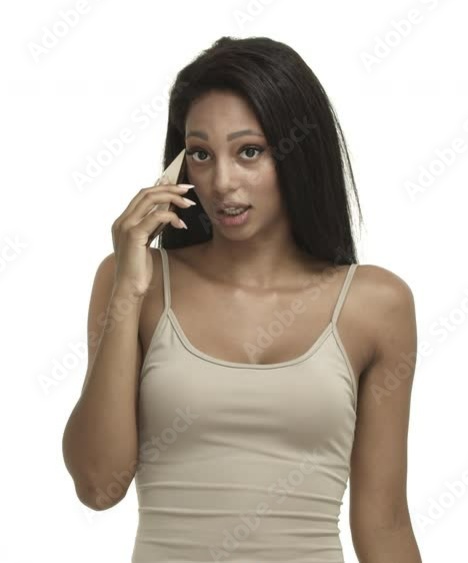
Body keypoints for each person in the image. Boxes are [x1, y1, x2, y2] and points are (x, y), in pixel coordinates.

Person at [63, 36, 422, 562]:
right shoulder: (136, 282)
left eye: (248, 151)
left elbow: (385, 523)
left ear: (298, 153)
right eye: (202, 154)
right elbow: (99, 486)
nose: (222, 182)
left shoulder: (375, 304)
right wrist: (130, 288)